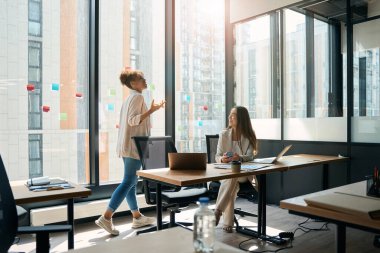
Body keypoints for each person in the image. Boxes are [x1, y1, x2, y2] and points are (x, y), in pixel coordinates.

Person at [95, 68, 165, 235]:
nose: (145, 80)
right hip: (133, 147)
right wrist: (152, 110)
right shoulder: (137, 97)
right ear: (133, 83)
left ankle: (137, 216)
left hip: (127, 145)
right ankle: (106, 217)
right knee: (128, 182)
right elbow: (133, 121)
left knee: (131, 183)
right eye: (142, 78)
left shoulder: (129, 98)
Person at [214, 106, 258, 233]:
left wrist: (240, 158)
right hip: (224, 172)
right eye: (230, 114)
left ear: (241, 119)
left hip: (243, 173)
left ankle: (218, 211)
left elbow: (250, 156)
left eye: (233, 115)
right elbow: (217, 156)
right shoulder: (224, 135)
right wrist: (222, 159)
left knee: (233, 175)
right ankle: (226, 221)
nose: (229, 117)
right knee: (231, 181)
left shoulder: (248, 136)